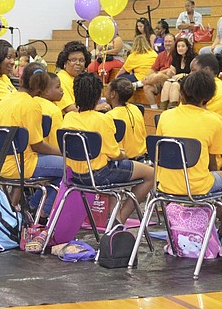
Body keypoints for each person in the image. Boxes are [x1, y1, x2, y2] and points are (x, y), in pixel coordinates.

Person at [156, 71, 222, 244]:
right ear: (208, 98)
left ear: (181, 93)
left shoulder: (165, 116)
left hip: (165, 184)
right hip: (196, 186)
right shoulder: (215, 120)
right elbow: (218, 163)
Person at [62, 73, 154, 225]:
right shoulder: (103, 119)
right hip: (98, 174)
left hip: (73, 174)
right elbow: (115, 155)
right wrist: (123, 154)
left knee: (116, 170)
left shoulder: (68, 117)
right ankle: (120, 219)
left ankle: (113, 216)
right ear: (99, 96)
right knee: (150, 173)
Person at [0, 62, 64, 220]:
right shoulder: (32, 105)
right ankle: (43, 213)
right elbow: (37, 145)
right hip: (20, 164)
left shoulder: (6, 99)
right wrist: (63, 153)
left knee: (58, 168)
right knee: (70, 166)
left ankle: (33, 205)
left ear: (21, 80)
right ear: (42, 89)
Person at [190, 53, 222, 169]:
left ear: (206, 70)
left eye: (193, 71)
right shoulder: (208, 86)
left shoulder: (213, 90)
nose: (190, 74)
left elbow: (198, 122)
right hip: (212, 138)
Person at [107, 78, 147, 159]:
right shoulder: (136, 109)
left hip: (124, 159)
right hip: (142, 157)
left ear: (113, 94)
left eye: (107, 90)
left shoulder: (110, 116)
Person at [55, 41, 91, 114]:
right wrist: (95, 109)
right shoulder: (60, 79)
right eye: (73, 60)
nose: (78, 63)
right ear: (65, 62)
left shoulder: (81, 79)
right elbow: (70, 108)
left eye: (81, 60)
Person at [161, 36, 196, 109]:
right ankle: (163, 109)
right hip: (177, 80)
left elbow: (195, 73)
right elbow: (172, 71)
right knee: (167, 83)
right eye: (178, 46)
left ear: (187, 47)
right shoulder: (176, 57)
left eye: (183, 46)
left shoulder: (193, 58)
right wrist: (170, 73)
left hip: (190, 81)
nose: (180, 48)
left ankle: (172, 108)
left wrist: (183, 75)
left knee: (175, 85)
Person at [35, 72, 64, 148]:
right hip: (46, 151)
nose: (61, 90)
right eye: (58, 87)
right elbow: (57, 143)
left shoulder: (31, 102)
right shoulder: (54, 111)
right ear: (46, 91)